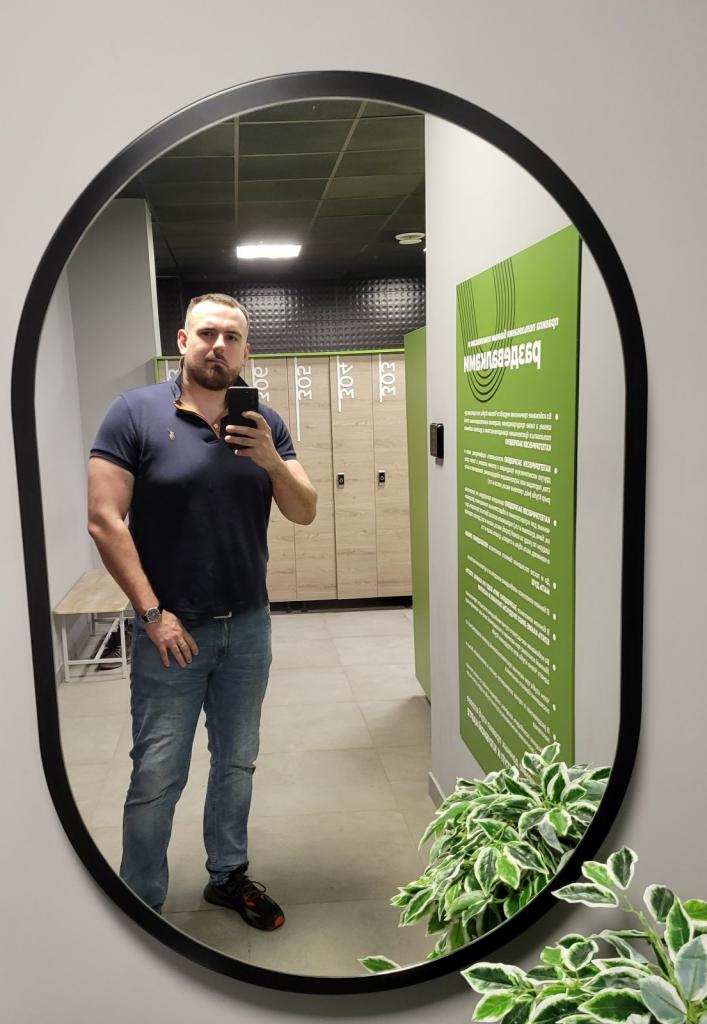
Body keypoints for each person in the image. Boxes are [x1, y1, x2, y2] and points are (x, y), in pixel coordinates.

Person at [87, 293, 317, 929]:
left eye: (232, 337)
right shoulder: (133, 413)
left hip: (248, 626)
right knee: (157, 773)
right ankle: (141, 903)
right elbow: (104, 519)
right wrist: (151, 613)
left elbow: (304, 509)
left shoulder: (264, 422)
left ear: (246, 351)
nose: (220, 346)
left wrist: (269, 459)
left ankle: (228, 875)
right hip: (171, 630)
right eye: (208, 333)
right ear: (183, 340)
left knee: (237, 761)